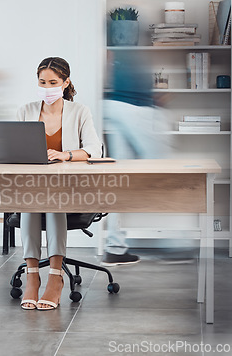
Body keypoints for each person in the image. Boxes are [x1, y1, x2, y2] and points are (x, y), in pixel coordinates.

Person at [16, 57, 101, 310]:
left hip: (68, 188)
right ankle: (32, 276)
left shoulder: (79, 112)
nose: (47, 87)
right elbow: (15, 147)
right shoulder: (25, 111)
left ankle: (55, 277)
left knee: (52, 199)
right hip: (33, 186)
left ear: (66, 82)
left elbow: (95, 149)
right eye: (42, 82)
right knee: (31, 201)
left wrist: (66, 155)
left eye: (53, 82)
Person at [101, 51, 171, 266]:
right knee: (169, 172)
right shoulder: (126, 39)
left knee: (119, 180)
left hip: (114, 106)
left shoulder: (116, 37)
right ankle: (176, 245)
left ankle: (115, 247)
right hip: (135, 106)